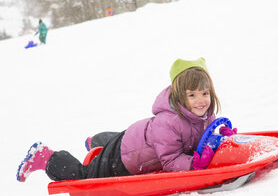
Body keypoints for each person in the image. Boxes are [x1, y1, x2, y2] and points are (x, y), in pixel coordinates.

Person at [16, 58, 237, 182]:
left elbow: (202, 139)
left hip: (137, 140)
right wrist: (194, 164)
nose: (201, 101)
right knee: (86, 176)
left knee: (118, 142)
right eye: (192, 95)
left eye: (205, 93)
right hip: (126, 158)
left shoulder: (206, 116)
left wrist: (219, 139)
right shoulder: (168, 124)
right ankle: (45, 157)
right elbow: (170, 160)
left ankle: (96, 141)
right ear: (180, 96)